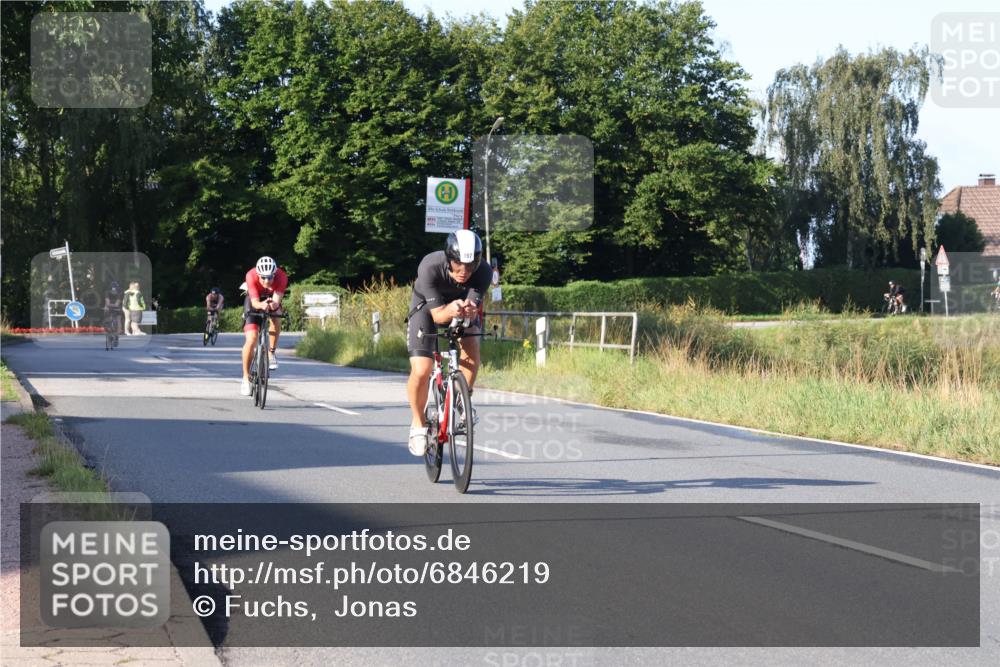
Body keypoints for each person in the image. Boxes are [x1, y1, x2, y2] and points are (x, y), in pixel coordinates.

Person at [406, 229, 491, 456]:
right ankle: (418, 423)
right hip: (426, 309)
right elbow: (438, 317)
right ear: (448, 258)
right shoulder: (430, 266)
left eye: (470, 265)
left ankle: (462, 398)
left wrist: (469, 310)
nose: (464, 271)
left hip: (458, 308)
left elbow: (471, 310)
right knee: (422, 370)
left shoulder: (484, 271)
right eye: (458, 265)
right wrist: (451, 309)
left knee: (472, 335)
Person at [240, 256, 288, 396]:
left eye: (270, 277)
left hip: (271, 299)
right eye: (263, 278)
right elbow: (254, 302)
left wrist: (271, 305)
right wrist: (262, 305)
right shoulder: (251, 275)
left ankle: (271, 352)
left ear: (275, 273)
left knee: (277, 316)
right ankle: (245, 378)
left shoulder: (281, 276)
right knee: (251, 339)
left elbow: (277, 301)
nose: (267, 281)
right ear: (258, 274)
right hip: (255, 301)